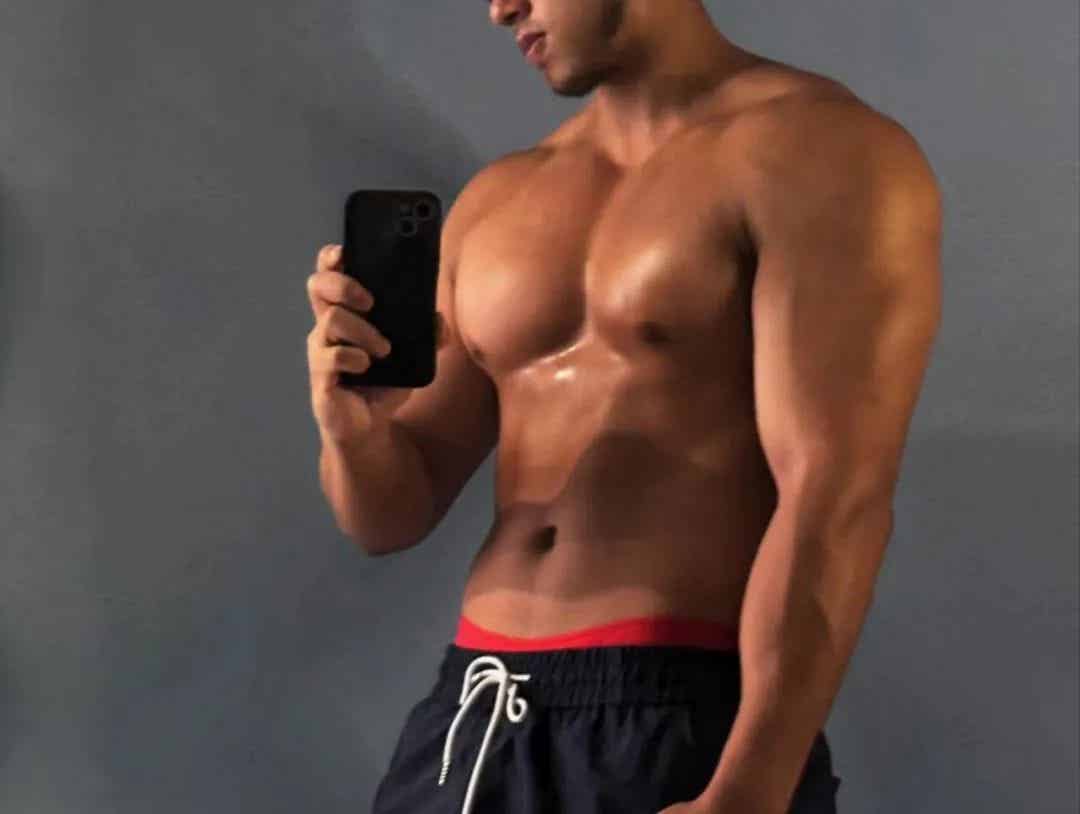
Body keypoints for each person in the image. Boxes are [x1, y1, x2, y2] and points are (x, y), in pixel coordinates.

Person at [305, 1, 943, 812]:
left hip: (674, 720)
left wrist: (750, 789)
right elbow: (389, 517)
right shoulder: (497, 199)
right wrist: (354, 431)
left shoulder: (821, 151)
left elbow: (835, 494)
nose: (500, 9)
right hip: (473, 714)